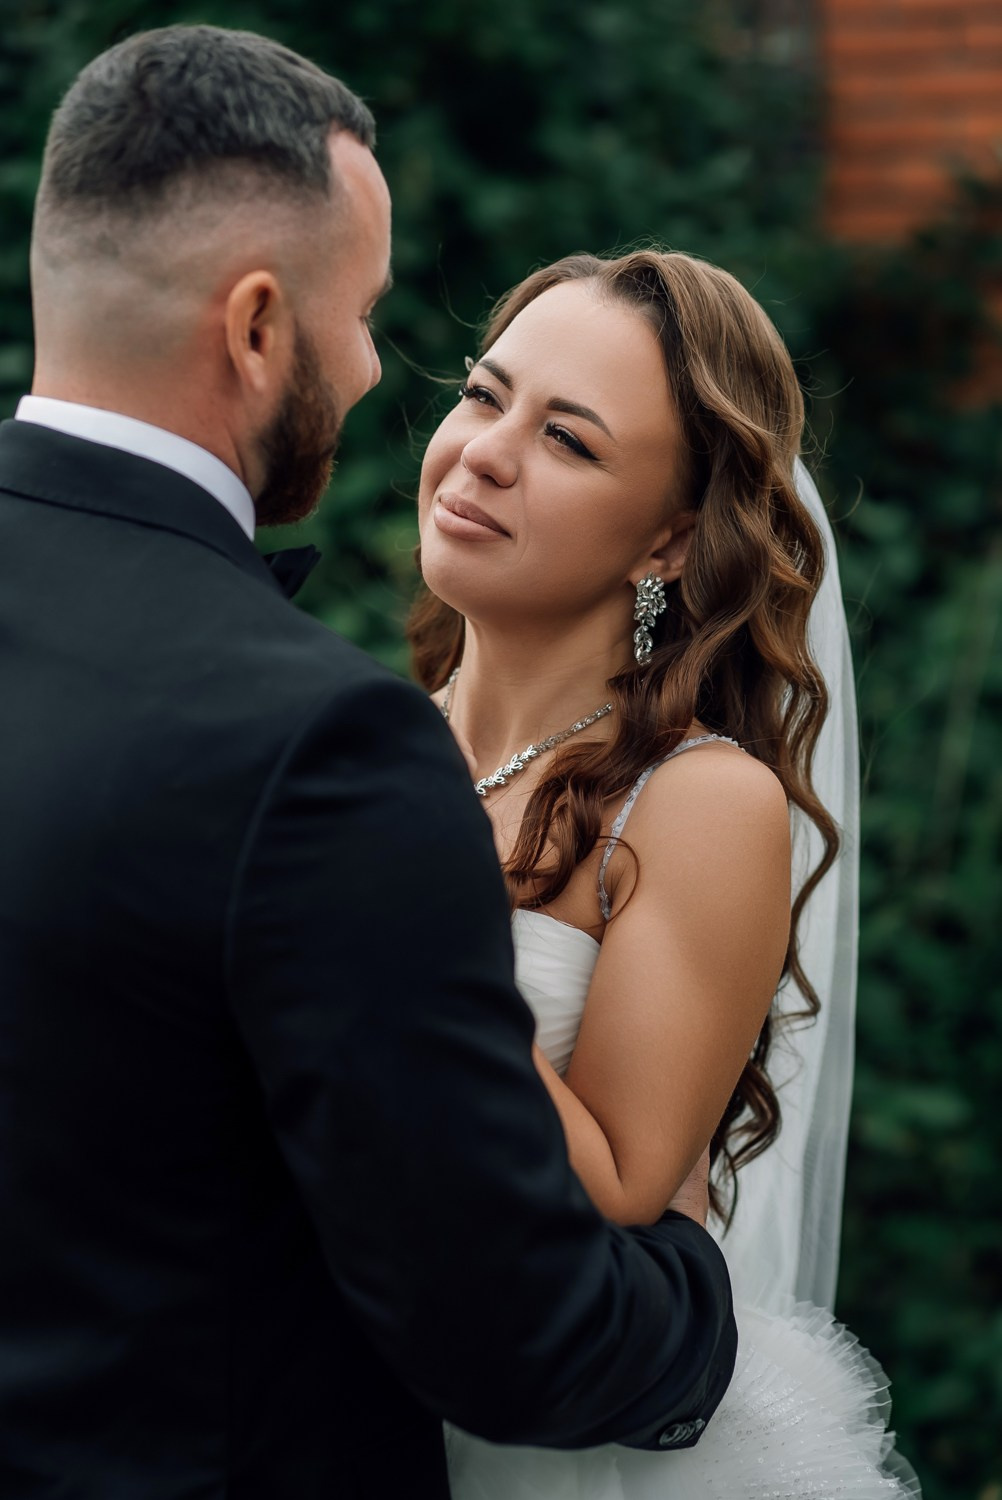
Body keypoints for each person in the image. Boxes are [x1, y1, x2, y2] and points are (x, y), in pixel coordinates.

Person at [0, 30, 739, 1500]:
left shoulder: (673, 796)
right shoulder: (318, 744)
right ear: (259, 327)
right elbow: (514, 1329)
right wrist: (705, 1306)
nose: (384, 385)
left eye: (568, 436)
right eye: (372, 323)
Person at [409, 249, 920, 1497]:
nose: (484, 449)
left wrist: (393, 939)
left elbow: (634, 1184)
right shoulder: (364, 745)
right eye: (485, 393)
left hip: (545, 1443)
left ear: (670, 540)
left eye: (569, 441)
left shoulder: (695, 800)